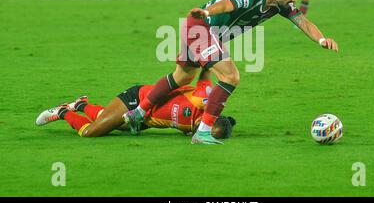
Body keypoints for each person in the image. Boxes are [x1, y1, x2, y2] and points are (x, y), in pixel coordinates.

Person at [134, 0, 339, 145]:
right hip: (202, 26)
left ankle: (137, 114)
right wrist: (206, 12)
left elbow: (303, 21)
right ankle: (203, 132)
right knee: (230, 76)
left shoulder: (280, 4)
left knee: (183, 76)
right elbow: (227, 4)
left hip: (199, 28)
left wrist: (321, 40)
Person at [35, 72, 235, 140]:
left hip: (146, 121)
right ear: (211, 118)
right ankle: (62, 112)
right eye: (204, 128)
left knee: (113, 122)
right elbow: (205, 78)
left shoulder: (195, 129)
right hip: (138, 99)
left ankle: (80, 105)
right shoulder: (203, 100)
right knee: (92, 133)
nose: (200, 131)